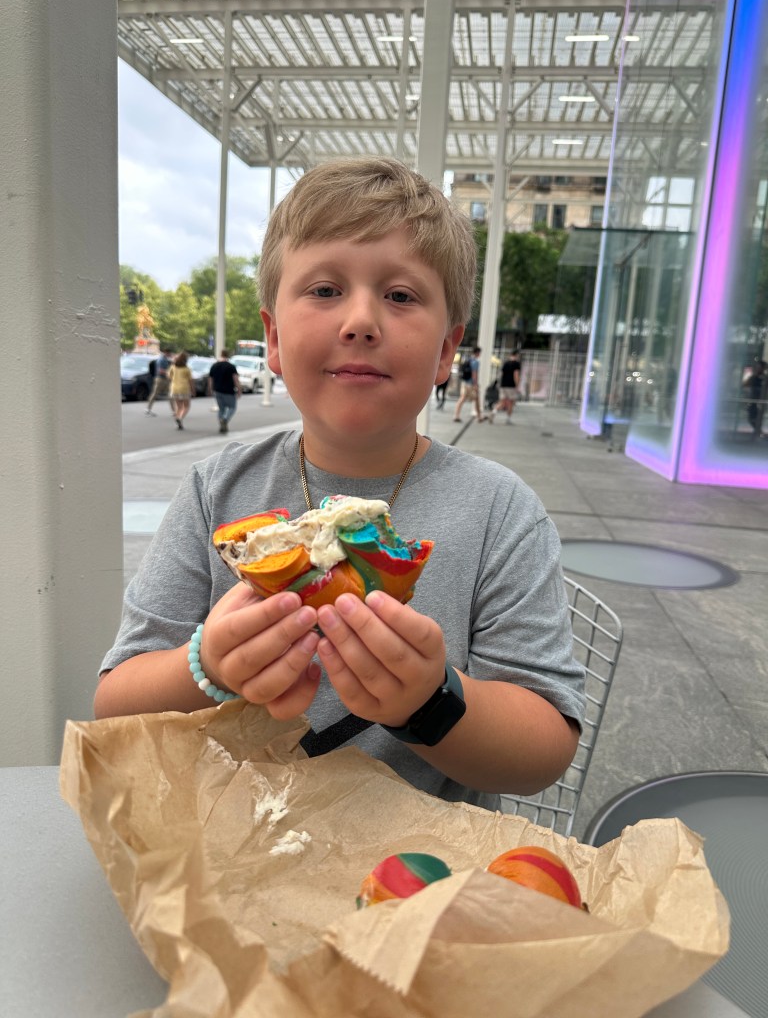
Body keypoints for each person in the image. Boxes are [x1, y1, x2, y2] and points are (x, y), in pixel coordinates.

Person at [95, 156, 584, 812]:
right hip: (230, 846)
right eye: (325, 290)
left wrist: (431, 700)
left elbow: (544, 750)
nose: (360, 320)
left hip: (417, 857)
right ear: (273, 337)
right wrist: (206, 666)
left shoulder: (500, 510)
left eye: (401, 296)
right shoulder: (217, 491)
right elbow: (114, 706)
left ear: (446, 350)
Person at [208, 349, 242, 434]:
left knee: (221, 409)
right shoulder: (231, 366)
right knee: (232, 407)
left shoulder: (214, 366)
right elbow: (236, 380)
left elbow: (211, 379)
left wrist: (211, 389)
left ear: (221, 354)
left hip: (217, 390)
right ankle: (225, 419)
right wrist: (239, 390)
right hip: (229, 391)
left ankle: (221, 422)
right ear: (228, 355)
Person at [453, 346, 485, 422]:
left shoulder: (468, 360)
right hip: (470, 384)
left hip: (464, 383)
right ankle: (479, 417)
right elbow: (474, 374)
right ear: (478, 353)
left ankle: (456, 415)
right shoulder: (475, 362)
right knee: (476, 398)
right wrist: (475, 384)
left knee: (462, 398)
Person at [493, 350, 521, 424]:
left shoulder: (505, 363)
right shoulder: (516, 364)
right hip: (511, 386)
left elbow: (501, 374)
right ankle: (508, 419)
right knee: (511, 403)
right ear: (517, 355)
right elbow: (516, 375)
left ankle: (494, 412)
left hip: (503, 385)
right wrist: (517, 385)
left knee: (502, 402)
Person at [168, 351, 195, 430]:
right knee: (186, 406)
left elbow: (169, 376)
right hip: (184, 388)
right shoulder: (187, 369)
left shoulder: (173, 367)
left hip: (174, 388)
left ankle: (178, 418)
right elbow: (190, 381)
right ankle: (180, 418)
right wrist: (193, 390)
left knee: (179, 406)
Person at [145, 347, 172, 415]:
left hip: (165, 379)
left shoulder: (165, 359)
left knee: (170, 394)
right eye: (169, 353)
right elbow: (160, 370)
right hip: (160, 379)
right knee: (155, 394)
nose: (170, 354)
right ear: (166, 353)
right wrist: (168, 372)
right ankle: (148, 408)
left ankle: (174, 410)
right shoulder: (161, 360)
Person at [743, 359, 766, 438]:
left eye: (759, 367)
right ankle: (758, 431)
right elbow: (746, 384)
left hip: (760, 401)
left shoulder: (764, 378)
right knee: (751, 418)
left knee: (757, 417)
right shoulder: (753, 377)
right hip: (753, 400)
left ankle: (758, 432)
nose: (757, 368)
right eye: (757, 367)